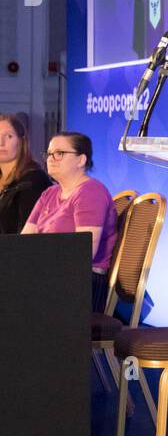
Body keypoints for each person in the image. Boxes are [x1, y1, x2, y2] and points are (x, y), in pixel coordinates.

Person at [22, 132, 118, 311]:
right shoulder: (49, 193)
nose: (51, 159)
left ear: (81, 160)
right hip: (48, 274)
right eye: (49, 154)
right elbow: (24, 242)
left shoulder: (90, 192)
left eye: (59, 153)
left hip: (81, 282)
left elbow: (83, 252)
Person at [0, 113, 52, 234]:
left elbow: (28, 238)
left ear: (21, 142)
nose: (1, 143)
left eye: (8, 136)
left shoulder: (33, 180)